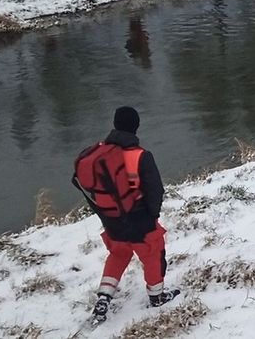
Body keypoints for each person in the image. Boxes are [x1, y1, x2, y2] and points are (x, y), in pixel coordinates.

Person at [73, 107, 179, 323]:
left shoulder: (99, 154)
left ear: (115, 124)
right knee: (152, 254)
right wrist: (152, 216)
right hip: (139, 219)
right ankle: (157, 296)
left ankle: (104, 298)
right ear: (136, 126)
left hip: (111, 219)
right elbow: (155, 190)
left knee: (118, 254)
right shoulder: (141, 156)